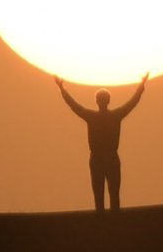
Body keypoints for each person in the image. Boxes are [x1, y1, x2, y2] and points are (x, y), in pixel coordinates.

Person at [55, 72, 149, 212]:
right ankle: (113, 224)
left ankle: (103, 224)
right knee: (113, 195)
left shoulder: (92, 117)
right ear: (108, 101)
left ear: (97, 101)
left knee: (99, 197)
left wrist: (62, 89)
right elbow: (133, 102)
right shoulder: (115, 116)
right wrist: (141, 86)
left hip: (99, 159)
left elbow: (74, 106)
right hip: (108, 158)